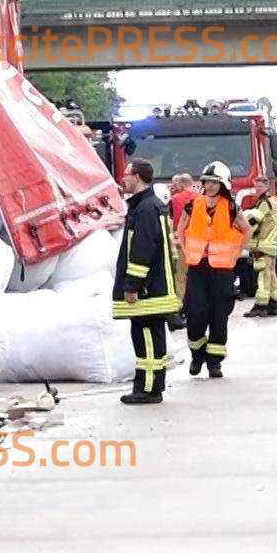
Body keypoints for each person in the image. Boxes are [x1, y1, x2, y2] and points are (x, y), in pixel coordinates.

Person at [114, 158, 182, 404]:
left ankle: (149, 389)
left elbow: (141, 249)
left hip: (147, 289)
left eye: (127, 174)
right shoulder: (149, 205)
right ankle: (146, 385)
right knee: (148, 337)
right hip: (153, 286)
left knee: (148, 339)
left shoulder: (144, 209)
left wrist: (132, 285)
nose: (123, 178)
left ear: (138, 176)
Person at [180, 161, 246, 378]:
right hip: (198, 266)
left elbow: (246, 230)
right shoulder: (193, 204)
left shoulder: (230, 206)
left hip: (222, 270)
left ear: (222, 185)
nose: (210, 186)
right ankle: (197, 353)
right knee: (194, 312)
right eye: (207, 182)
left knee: (219, 315)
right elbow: (181, 230)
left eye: (215, 183)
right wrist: (186, 250)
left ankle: (214, 362)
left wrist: (235, 254)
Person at [242, 188, 277, 318]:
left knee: (263, 275)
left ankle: (261, 305)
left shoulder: (265, 203)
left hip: (263, 244)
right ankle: (274, 303)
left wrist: (242, 220)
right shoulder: (274, 202)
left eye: (258, 188)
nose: (255, 191)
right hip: (270, 244)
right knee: (270, 274)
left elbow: (254, 220)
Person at [166, 173, 196, 331]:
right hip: (199, 245)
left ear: (182, 184)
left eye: (174, 184)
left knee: (181, 277)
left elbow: (172, 221)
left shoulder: (174, 200)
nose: (172, 187)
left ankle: (179, 307)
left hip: (182, 245)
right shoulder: (200, 197)